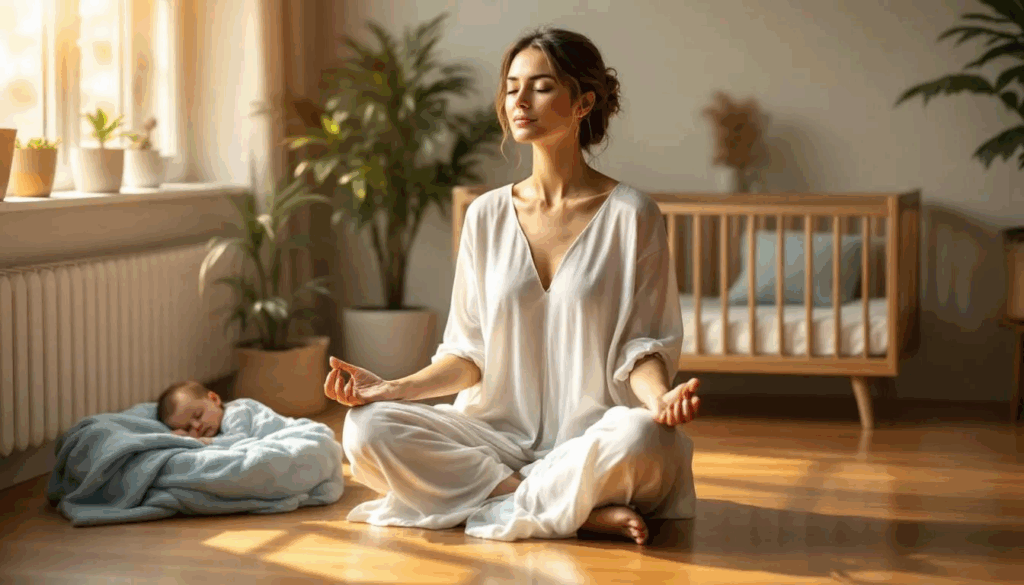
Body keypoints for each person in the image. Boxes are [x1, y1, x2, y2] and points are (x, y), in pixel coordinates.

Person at [326, 26, 701, 546]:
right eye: (511, 87)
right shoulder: (485, 215)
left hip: (589, 441)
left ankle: (512, 497)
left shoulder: (633, 216)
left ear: (583, 102)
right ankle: (569, 507)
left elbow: (641, 347)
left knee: (640, 436)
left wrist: (661, 402)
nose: (519, 101)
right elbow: (467, 353)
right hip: (494, 439)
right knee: (366, 428)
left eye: (542, 86)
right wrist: (394, 389)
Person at [158, 380, 225, 445]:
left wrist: (205, 441)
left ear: (214, 399)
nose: (197, 426)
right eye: (188, 428)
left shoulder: (232, 416)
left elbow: (233, 442)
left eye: (198, 415)